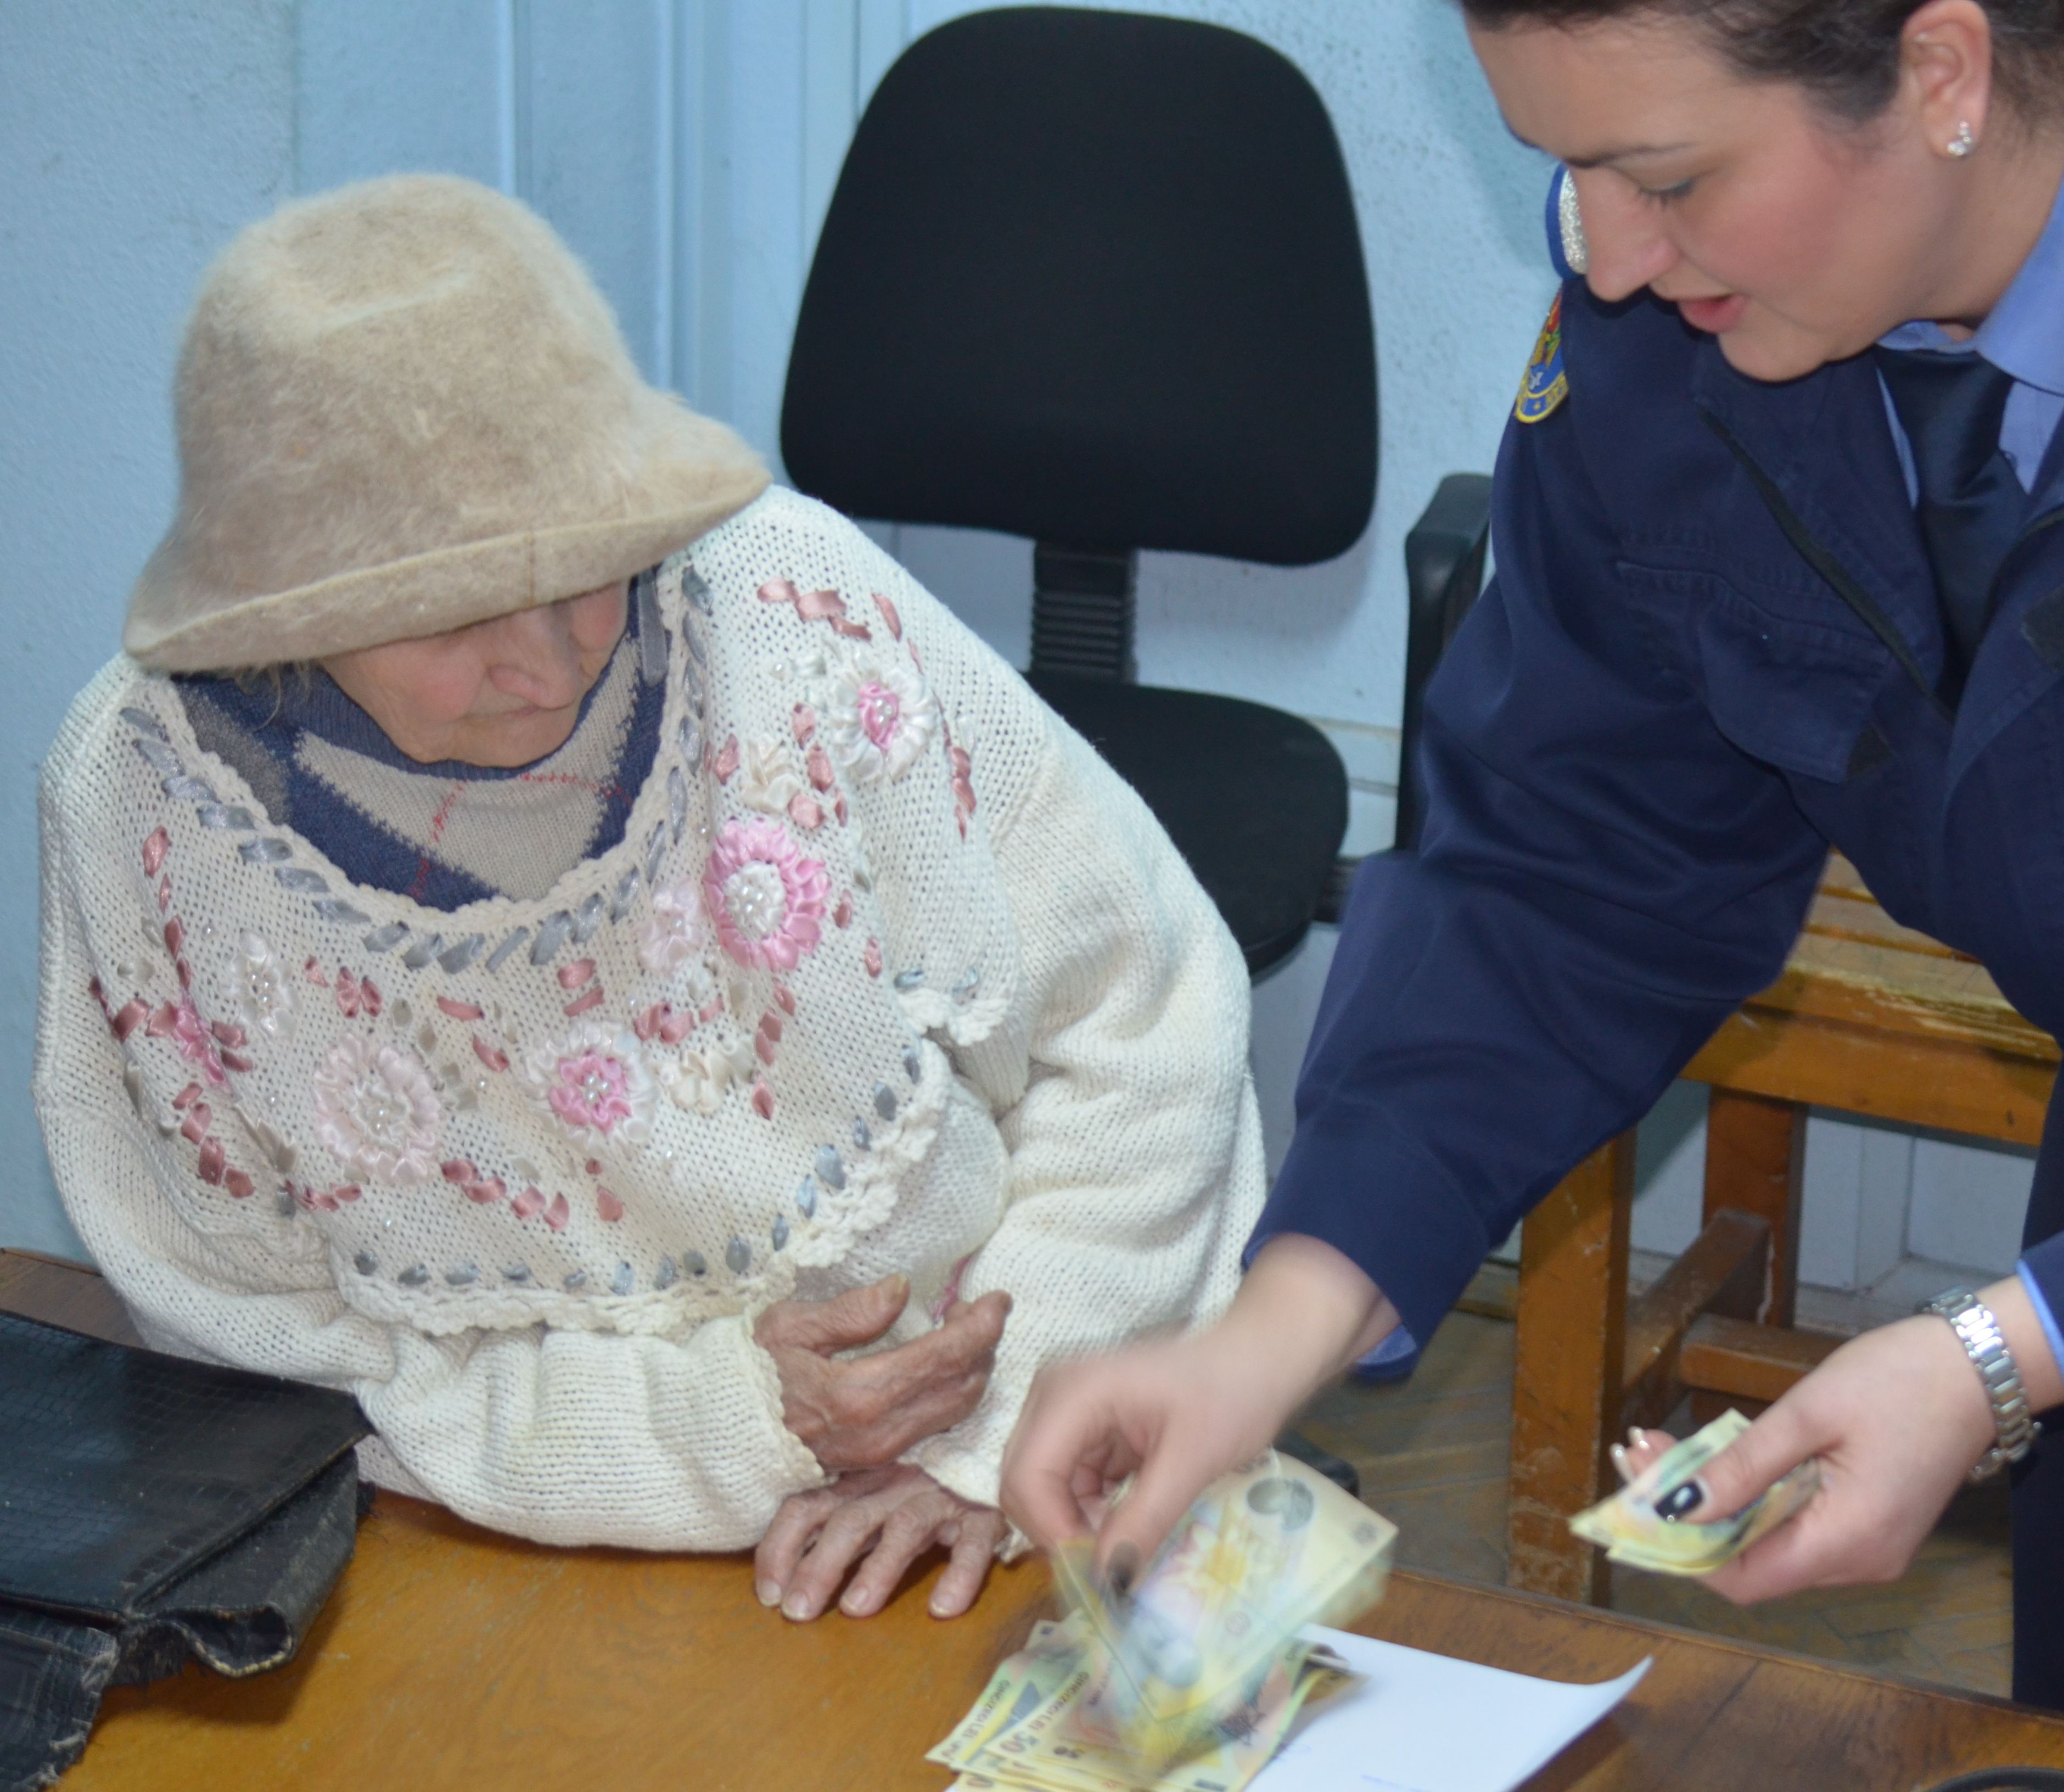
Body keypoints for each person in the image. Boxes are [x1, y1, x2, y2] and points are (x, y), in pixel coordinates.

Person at [1004, 1, 2064, 1784]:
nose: (1607, 250)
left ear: (1945, 72)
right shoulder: (1683, 305)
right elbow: (1575, 857)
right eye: (1566, 168)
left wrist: (1997, 1353)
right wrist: (1274, 1325)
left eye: (1664, 176)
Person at [37, 175, 1265, 1627]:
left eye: (590, 574)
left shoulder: (786, 603)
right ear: (277, 616)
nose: (549, 667)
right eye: (450, 618)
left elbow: (1151, 1017)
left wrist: (992, 1444)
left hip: (1021, 1448)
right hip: (492, 1546)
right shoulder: (148, 814)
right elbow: (256, 1334)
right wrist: (738, 1430)